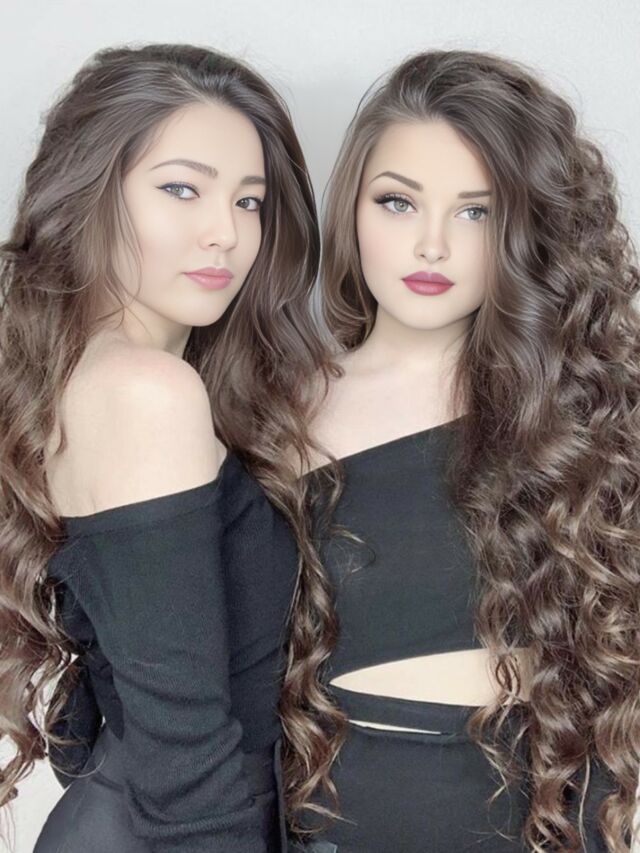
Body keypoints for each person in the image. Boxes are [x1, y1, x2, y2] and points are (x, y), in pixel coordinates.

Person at [282, 50, 640, 852]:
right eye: (398, 202)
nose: (432, 245)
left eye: (476, 212)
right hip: (336, 817)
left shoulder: (584, 412)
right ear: (351, 208)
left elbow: (609, 670)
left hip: (547, 820)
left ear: (525, 228)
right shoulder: (276, 411)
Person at [0, 43, 329, 852]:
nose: (225, 232)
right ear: (91, 191)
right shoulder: (147, 391)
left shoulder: (94, 374)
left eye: (249, 201)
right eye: (181, 188)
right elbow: (184, 751)